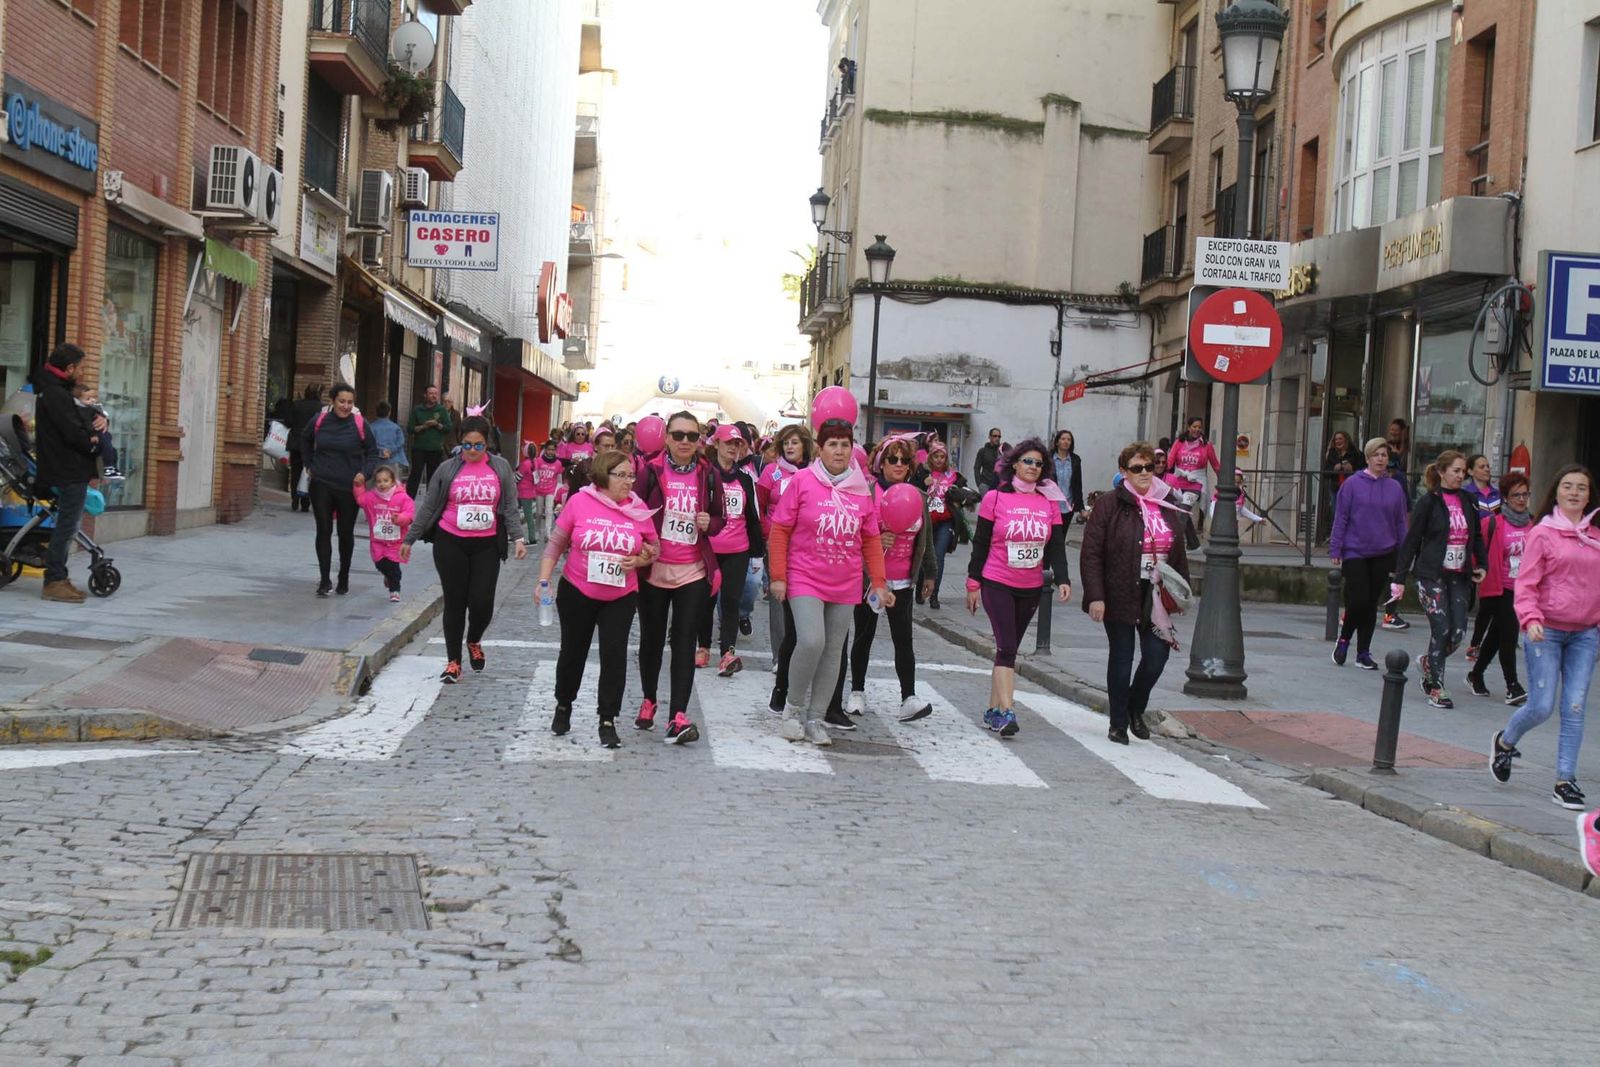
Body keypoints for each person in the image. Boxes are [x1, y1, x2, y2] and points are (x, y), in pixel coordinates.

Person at [768, 418, 890, 746]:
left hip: (845, 580)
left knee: (834, 649)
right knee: (811, 641)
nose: (839, 450)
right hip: (804, 575)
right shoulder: (803, 481)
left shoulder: (861, 488)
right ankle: (792, 710)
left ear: (852, 450)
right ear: (819, 448)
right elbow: (780, 530)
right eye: (832, 444)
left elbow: (871, 539)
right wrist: (778, 576)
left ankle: (816, 718)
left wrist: (879, 581)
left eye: (845, 444)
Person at [1490, 465, 1600, 810]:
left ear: (1589, 495)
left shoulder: (1596, 536)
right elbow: (1526, 582)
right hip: (1546, 631)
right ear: (1556, 492)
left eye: (1581, 488)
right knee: (1541, 706)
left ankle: (1564, 780)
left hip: (1585, 633)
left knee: (1575, 707)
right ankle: (1505, 743)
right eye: (1567, 486)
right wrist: (1531, 617)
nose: (1574, 493)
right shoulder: (1542, 533)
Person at [540, 449, 660, 748]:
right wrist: (543, 581)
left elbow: (654, 548)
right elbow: (556, 543)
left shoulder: (639, 509)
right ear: (604, 475)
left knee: (614, 654)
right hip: (577, 589)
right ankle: (564, 705)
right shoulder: (580, 501)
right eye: (622, 475)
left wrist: (642, 560)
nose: (629, 481)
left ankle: (607, 719)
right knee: (573, 652)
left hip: (619, 594)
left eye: (632, 475)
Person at [402, 415, 527, 683]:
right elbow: (429, 506)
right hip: (450, 541)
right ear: (460, 443)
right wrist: (409, 539)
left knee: (482, 603)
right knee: (455, 601)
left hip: (487, 544)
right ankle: (453, 662)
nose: (472, 451)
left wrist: (518, 538)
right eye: (467, 445)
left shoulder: (501, 468)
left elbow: (509, 506)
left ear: (488, 443)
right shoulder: (448, 469)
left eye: (478, 445)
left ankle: (474, 639)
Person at [1081, 442, 1190, 745]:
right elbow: (1091, 553)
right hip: (1119, 588)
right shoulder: (1109, 504)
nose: (1144, 473)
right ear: (1124, 472)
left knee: (1157, 657)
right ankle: (1117, 723)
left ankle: (1134, 708)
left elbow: (1179, 551)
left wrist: (1181, 592)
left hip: (1156, 593)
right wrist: (1095, 595)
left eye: (1149, 467)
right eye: (1137, 468)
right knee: (1122, 656)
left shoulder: (1167, 500)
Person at [965, 438, 1072, 739]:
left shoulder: (1048, 502)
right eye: (1028, 461)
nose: (1033, 467)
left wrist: (1063, 579)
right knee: (1007, 648)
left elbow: (1058, 546)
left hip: (1031, 586)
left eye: (1039, 463)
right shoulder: (995, 499)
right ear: (1014, 464)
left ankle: (992, 709)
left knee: (1006, 652)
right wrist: (973, 582)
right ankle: (1007, 712)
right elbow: (981, 543)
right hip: (997, 581)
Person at [832, 435, 938, 725]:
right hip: (869, 580)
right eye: (893, 459)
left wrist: (930, 573)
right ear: (881, 462)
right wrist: (877, 539)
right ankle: (856, 692)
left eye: (906, 460)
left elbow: (924, 539)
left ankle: (909, 698)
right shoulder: (866, 493)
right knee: (863, 636)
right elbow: (849, 535)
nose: (900, 465)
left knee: (904, 639)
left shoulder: (918, 497)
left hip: (903, 580)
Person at [632, 410, 723, 744]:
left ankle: (678, 715)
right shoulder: (650, 471)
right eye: (678, 435)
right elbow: (635, 509)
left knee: (684, 642)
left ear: (700, 440)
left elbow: (719, 518)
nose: (685, 441)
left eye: (692, 436)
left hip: (693, 571)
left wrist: (707, 524)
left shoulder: (708, 473)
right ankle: (649, 699)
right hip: (654, 569)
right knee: (651, 640)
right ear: (666, 438)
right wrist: (644, 544)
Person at [1390, 450, 1487, 709]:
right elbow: (1411, 540)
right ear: (1442, 472)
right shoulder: (1429, 502)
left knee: (1457, 633)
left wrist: (1482, 564)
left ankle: (1428, 663)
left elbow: (1476, 536)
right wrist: (1399, 577)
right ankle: (1436, 686)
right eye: (1456, 470)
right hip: (1431, 574)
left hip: (1458, 575)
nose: (1461, 475)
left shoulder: (1469, 500)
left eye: (1463, 470)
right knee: (1441, 628)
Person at [31, 343, 106, 603]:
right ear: (70, 368)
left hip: (66, 468)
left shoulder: (57, 391)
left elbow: (80, 419)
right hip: (67, 469)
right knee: (67, 526)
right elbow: (73, 433)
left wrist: (98, 422)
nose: (83, 373)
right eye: (81, 367)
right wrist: (93, 442)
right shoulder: (56, 394)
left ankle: (58, 577)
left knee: (67, 525)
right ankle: (54, 580)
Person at [1329, 438, 1410, 670]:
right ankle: (1344, 639)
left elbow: (1400, 523)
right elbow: (1341, 517)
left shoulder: (1394, 487)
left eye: (1384, 455)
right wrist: (1336, 547)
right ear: (1367, 458)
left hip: (1383, 551)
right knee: (1359, 599)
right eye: (1376, 455)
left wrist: (1403, 554)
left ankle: (1363, 652)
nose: (1381, 459)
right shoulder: (1352, 484)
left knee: (1371, 604)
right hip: (1355, 551)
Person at [700, 423, 765, 677]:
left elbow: (753, 517)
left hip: (738, 549)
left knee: (731, 602)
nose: (733, 448)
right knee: (705, 600)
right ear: (716, 445)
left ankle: (727, 652)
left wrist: (757, 553)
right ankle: (703, 646)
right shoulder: (705, 475)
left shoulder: (745, 479)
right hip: (709, 549)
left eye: (737, 444)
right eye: (728, 443)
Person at [300, 382, 377, 597]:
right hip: (322, 482)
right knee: (323, 529)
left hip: (348, 486)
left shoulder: (361, 424)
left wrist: (365, 473)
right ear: (332, 401)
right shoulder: (320, 420)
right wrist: (309, 464)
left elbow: (373, 452)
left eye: (350, 402)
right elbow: (304, 440)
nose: (345, 406)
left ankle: (343, 576)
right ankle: (325, 580)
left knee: (345, 533)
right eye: (341, 401)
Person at [761, 424, 814, 710]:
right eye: (786, 444)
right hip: (778, 544)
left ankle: (799, 654)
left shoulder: (815, 473)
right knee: (779, 601)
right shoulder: (772, 473)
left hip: (807, 547)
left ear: (805, 445)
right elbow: (759, 506)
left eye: (795, 443)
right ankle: (778, 655)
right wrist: (768, 532)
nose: (790, 448)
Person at [1466, 473, 1532, 705]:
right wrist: (1475, 572)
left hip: (1523, 590)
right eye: (1516, 495)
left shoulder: (1532, 524)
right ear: (1505, 497)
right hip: (1499, 588)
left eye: (1525, 494)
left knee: (1496, 635)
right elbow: (1476, 550)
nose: (1522, 499)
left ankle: (1476, 675)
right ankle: (1512, 685)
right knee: (1509, 635)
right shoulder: (1493, 523)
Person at [911, 441, 976, 609]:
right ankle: (920, 588)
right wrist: (922, 484)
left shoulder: (953, 476)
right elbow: (909, 491)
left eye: (942, 456)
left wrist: (958, 496)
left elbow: (971, 496)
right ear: (930, 457)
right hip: (925, 520)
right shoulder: (922, 472)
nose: (939, 460)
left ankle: (934, 595)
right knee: (924, 555)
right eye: (936, 456)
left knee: (938, 556)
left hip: (945, 521)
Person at [1462, 453, 1504, 662]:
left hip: (1494, 549)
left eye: (1487, 466)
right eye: (1481, 466)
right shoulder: (1466, 493)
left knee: (1488, 601)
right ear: (1470, 471)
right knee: (1469, 599)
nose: (1486, 469)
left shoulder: (1497, 494)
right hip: (1473, 548)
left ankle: (1476, 643)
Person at [353, 465, 414, 603]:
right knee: (380, 563)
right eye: (379, 481)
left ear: (393, 481)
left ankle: (395, 590)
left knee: (393, 566)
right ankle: (387, 575)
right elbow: (361, 499)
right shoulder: (372, 497)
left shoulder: (402, 497)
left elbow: (409, 513)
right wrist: (358, 485)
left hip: (396, 540)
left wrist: (400, 518)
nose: (382, 484)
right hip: (378, 540)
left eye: (385, 481)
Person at [1165, 417, 1220, 527]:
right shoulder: (1179, 443)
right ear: (1189, 428)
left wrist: (1225, 482)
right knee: (1179, 512)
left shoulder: (1206, 445)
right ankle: (1193, 543)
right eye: (1194, 426)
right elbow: (1170, 462)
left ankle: (1177, 541)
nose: (1197, 429)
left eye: (1199, 427)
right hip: (1178, 483)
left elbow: (1216, 465)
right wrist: (1161, 475)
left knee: (1184, 509)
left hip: (1196, 484)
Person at [405, 385, 452, 497]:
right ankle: (408, 501)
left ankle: (431, 500)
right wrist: (423, 427)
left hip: (435, 449)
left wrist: (437, 425)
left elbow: (448, 428)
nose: (434, 396)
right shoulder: (417, 410)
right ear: (425, 395)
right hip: (419, 448)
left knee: (434, 476)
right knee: (415, 475)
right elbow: (410, 428)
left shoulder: (441, 410)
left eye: (435, 393)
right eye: (431, 393)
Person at [72, 383, 121, 479]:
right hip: (92, 441)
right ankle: (109, 466)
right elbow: (88, 423)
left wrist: (104, 419)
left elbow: (102, 417)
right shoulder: (82, 411)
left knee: (110, 448)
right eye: (88, 399)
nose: (92, 400)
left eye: (93, 398)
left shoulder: (92, 408)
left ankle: (111, 466)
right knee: (106, 447)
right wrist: (93, 434)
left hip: (98, 438)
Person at [288, 384, 323, 512]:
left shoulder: (296, 405)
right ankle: (305, 502)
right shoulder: (320, 408)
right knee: (309, 473)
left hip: (296, 442)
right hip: (312, 445)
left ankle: (294, 498)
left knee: (296, 471)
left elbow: (289, 421)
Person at [1050, 430, 1085, 529]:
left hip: (1068, 506)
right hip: (1051, 505)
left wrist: (1081, 507)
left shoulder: (1075, 460)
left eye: (1069, 439)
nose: (1066, 441)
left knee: (1062, 535)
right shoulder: (1048, 458)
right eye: (1063, 439)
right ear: (1057, 442)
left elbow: (1078, 484)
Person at [369, 401, 408, 477]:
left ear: (376, 412)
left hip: (376, 460)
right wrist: (390, 451)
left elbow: (369, 443)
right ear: (389, 412)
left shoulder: (371, 427)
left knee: (375, 485)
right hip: (393, 460)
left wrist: (381, 451)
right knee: (393, 484)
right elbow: (401, 442)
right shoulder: (396, 427)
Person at [973, 427, 1003, 493]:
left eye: (999, 436)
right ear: (989, 437)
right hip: (985, 484)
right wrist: (979, 484)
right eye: (995, 436)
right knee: (986, 503)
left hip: (999, 486)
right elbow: (976, 468)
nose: (997, 438)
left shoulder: (1002, 451)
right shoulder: (983, 451)